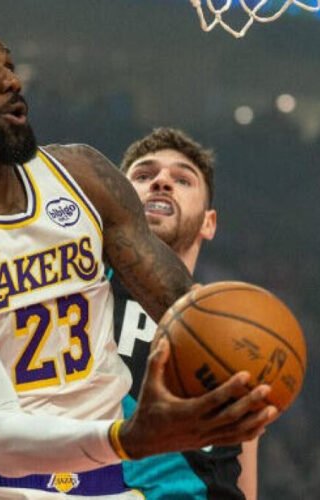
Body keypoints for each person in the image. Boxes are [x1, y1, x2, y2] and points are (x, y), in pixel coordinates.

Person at [0, 2, 277, 498]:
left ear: (210, 220)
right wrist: (128, 437)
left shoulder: (82, 179)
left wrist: (258, 371)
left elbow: (200, 328)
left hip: (105, 482)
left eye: (10, 65)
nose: (11, 80)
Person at [114, 128, 258, 499]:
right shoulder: (78, 291)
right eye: (143, 175)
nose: (161, 181)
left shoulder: (234, 330)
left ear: (209, 223)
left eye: (182, 180)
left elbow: (242, 468)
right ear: (112, 204)